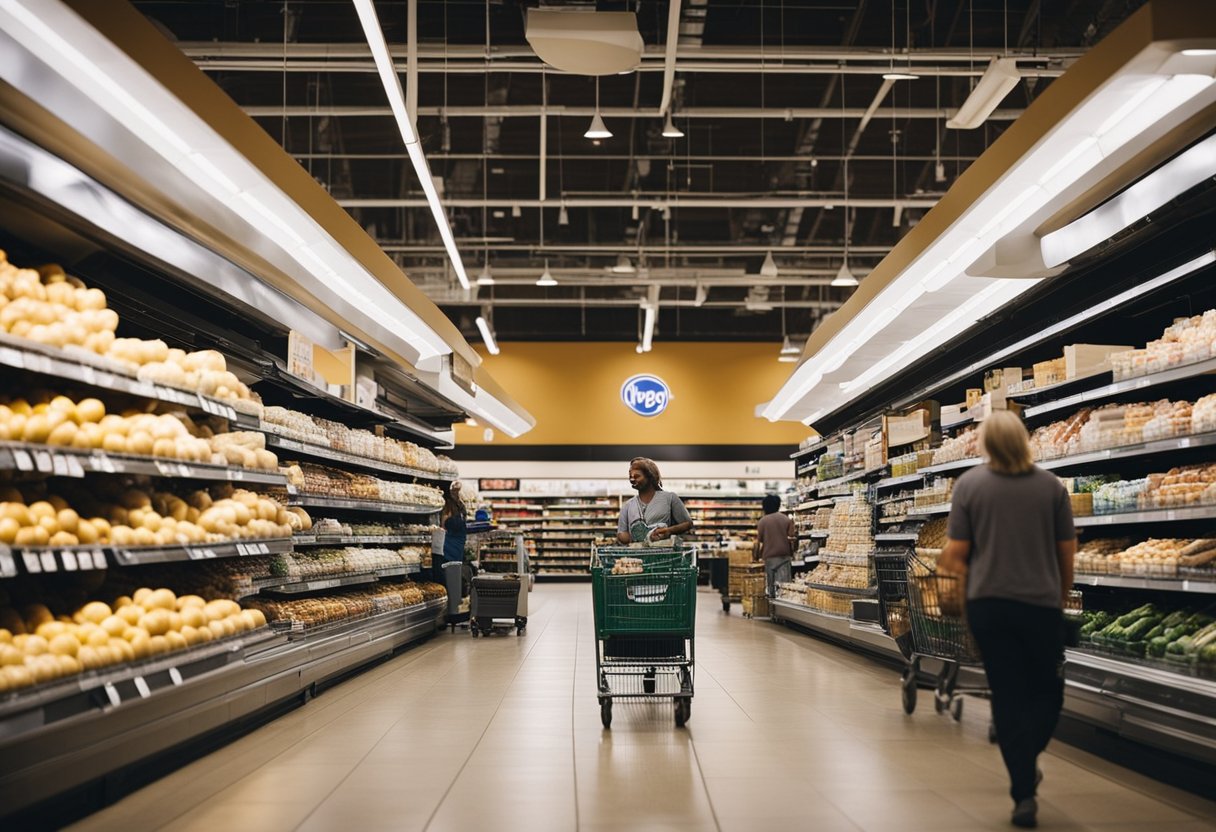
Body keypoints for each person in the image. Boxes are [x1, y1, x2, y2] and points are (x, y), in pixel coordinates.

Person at [937, 410, 1076, 830]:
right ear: (1023, 440)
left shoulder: (970, 487)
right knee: (1049, 692)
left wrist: (951, 575)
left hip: (989, 607)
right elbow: (1065, 554)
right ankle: (1026, 773)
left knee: (1008, 694)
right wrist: (1060, 594)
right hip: (1040, 606)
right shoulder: (1052, 488)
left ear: (986, 445)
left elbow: (956, 554)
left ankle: (1023, 785)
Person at [615, 457, 693, 544]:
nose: (632, 480)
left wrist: (669, 530)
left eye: (637, 476)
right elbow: (621, 532)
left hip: (665, 553)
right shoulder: (627, 505)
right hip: (637, 555)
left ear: (650, 477)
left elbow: (687, 523)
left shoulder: (669, 498)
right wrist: (633, 537)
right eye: (630, 476)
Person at [753, 494, 795, 598]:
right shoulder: (786, 519)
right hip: (784, 557)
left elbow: (760, 541)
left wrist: (756, 556)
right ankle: (784, 609)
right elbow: (792, 538)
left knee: (770, 588)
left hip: (769, 557)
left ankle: (772, 610)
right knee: (784, 587)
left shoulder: (763, 521)